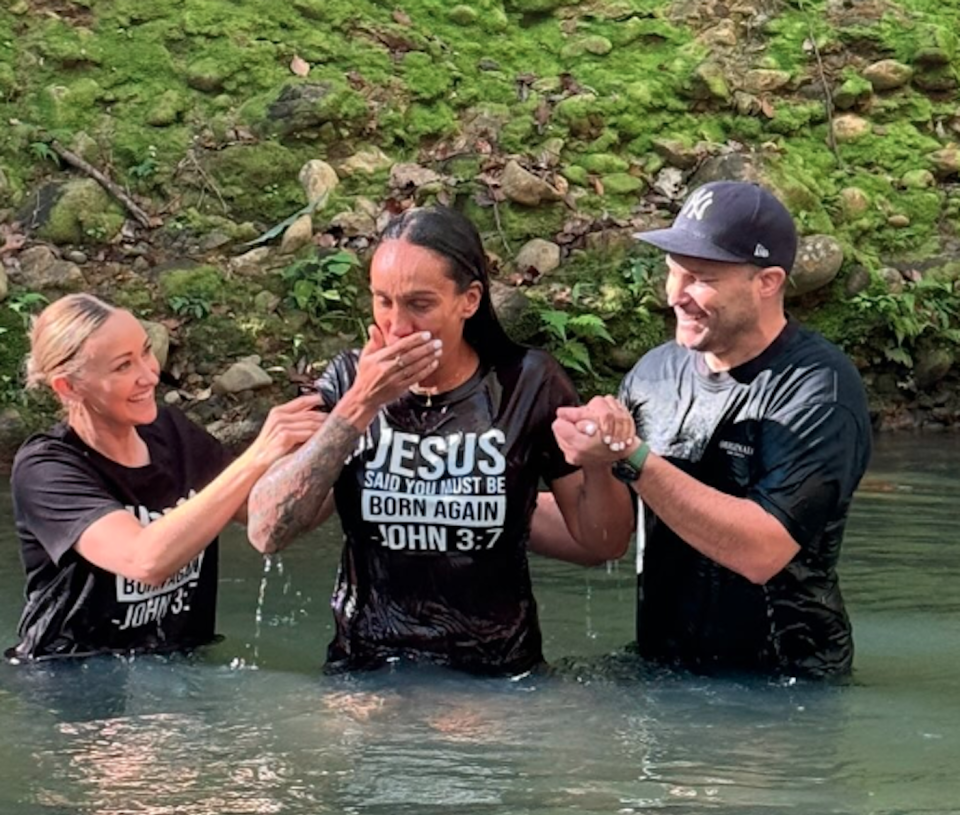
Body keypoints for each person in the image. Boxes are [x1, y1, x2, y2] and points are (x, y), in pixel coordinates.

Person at [246, 205, 633, 675]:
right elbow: (266, 533)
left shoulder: (528, 384)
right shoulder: (348, 380)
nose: (397, 326)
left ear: (468, 300)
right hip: (368, 671)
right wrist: (359, 405)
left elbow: (606, 543)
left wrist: (598, 463)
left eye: (419, 305)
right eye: (383, 301)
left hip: (496, 677)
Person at [534, 180, 872, 679]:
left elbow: (762, 550)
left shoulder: (819, 390)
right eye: (673, 271)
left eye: (700, 278)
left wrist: (631, 457)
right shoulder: (654, 373)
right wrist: (480, 503)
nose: (675, 295)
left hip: (785, 685)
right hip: (661, 669)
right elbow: (605, 535)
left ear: (768, 282)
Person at [7, 294, 325, 661]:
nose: (149, 375)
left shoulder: (172, 431)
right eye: (123, 366)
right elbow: (144, 561)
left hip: (179, 665)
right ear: (69, 386)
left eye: (146, 351)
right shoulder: (46, 468)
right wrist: (258, 455)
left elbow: (271, 515)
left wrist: (349, 428)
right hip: (72, 674)